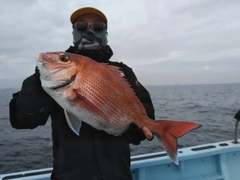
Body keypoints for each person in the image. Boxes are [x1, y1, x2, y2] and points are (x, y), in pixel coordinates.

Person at [9, 7, 155, 180]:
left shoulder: (122, 71)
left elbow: (147, 114)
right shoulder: (51, 78)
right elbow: (21, 119)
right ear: (74, 31)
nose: (90, 31)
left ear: (106, 32)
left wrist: (136, 128)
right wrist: (39, 80)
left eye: (98, 27)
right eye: (82, 26)